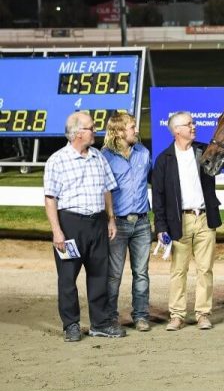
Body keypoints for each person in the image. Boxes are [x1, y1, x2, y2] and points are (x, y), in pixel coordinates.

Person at [44, 111, 126, 341]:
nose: (95, 131)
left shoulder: (98, 157)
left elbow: (107, 189)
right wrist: (57, 231)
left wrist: (110, 219)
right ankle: (71, 324)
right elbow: (50, 199)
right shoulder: (57, 160)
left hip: (97, 222)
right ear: (78, 133)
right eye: (91, 127)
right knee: (68, 277)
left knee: (100, 274)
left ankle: (99, 323)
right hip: (70, 224)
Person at [152, 111, 222, 331]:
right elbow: (158, 198)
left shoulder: (204, 151)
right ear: (176, 131)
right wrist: (161, 227)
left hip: (204, 218)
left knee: (205, 269)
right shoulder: (164, 160)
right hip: (179, 222)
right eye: (189, 124)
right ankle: (177, 315)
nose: (194, 126)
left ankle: (203, 313)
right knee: (178, 271)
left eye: (193, 122)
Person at [102, 113, 153, 332]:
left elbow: (155, 180)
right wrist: (110, 219)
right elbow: (103, 192)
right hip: (118, 225)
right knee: (114, 275)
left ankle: (140, 315)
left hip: (142, 222)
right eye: (132, 127)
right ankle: (110, 317)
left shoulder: (143, 153)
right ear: (119, 131)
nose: (136, 130)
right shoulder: (104, 157)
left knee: (141, 273)